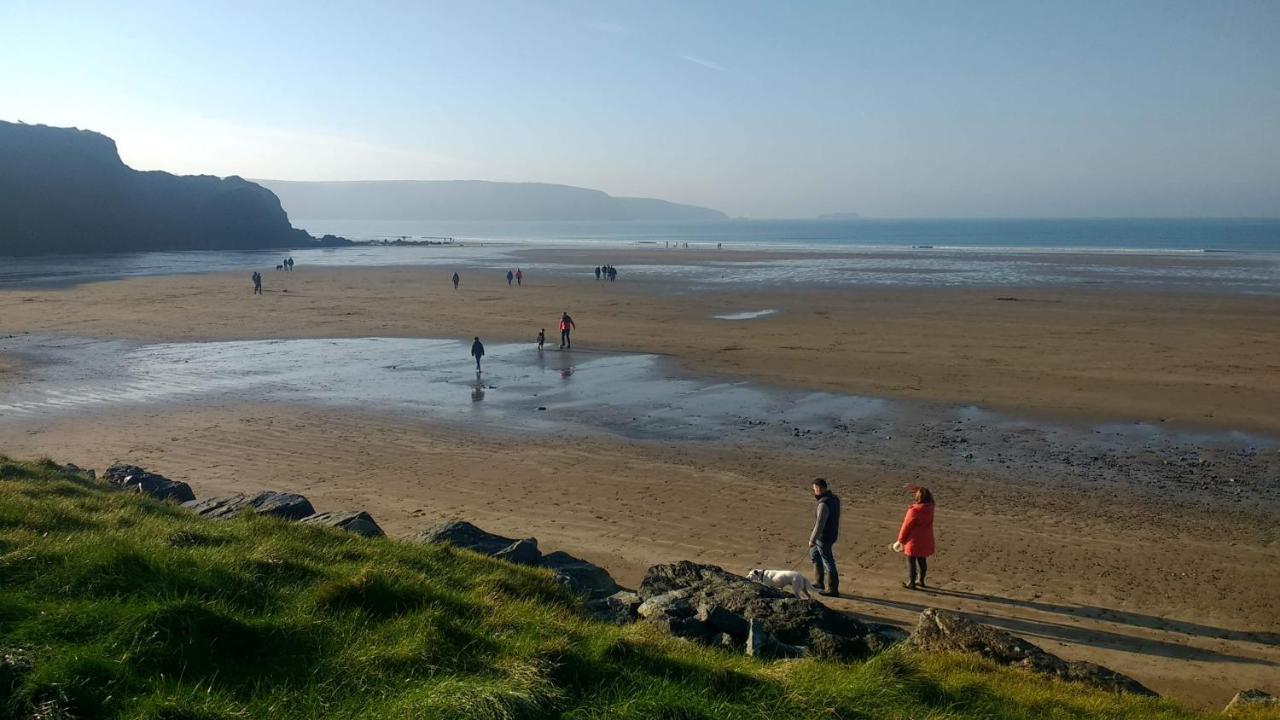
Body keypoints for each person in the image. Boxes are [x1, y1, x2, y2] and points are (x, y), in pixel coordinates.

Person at [893, 486, 935, 590]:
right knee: (922, 560)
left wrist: (900, 540)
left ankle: (911, 582)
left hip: (914, 540)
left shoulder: (914, 510)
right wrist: (919, 489)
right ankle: (921, 580)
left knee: (911, 561)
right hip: (926, 538)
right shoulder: (930, 507)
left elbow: (906, 526)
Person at [808, 478, 841, 597]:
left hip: (824, 537)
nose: (814, 492)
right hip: (832, 534)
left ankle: (833, 589)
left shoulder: (823, 504)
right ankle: (818, 582)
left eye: (815, 489)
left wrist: (812, 539)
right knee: (814, 554)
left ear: (820, 489)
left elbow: (819, 524)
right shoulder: (835, 499)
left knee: (828, 561)